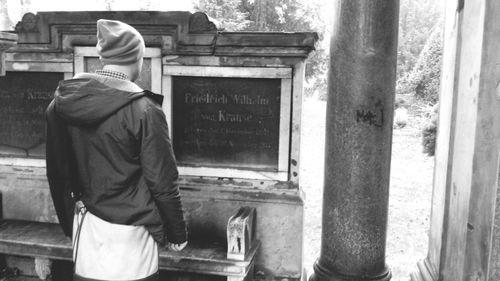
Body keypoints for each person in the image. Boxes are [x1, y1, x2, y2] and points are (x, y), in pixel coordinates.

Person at [46, 19, 187, 281]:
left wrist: (70, 224)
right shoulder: (146, 111)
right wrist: (177, 233)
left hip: (87, 227)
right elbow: (163, 181)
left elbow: (58, 174)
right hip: (133, 236)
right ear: (136, 58)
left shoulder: (59, 106)